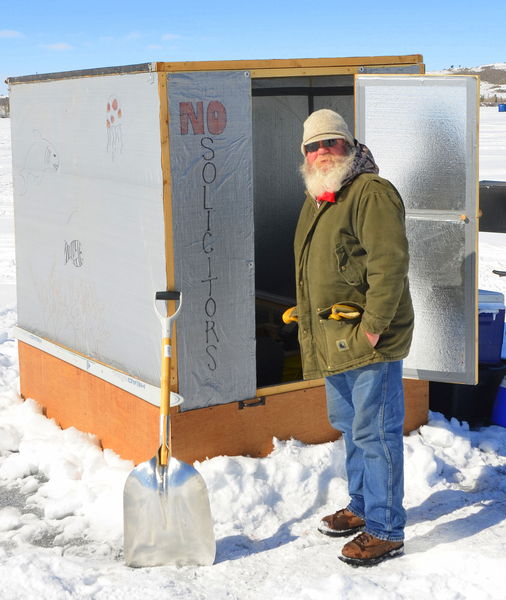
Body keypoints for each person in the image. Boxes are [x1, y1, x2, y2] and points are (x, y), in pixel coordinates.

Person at [289, 109, 414, 567]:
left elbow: (389, 264)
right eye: (313, 146)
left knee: (376, 433)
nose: (322, 152)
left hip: (366, 339)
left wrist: (374, 327)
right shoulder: (321, 195)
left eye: (332, 143)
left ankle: (385, 529)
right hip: (334, 338)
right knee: (351, 428)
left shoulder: (370, 192)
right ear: (304, 153)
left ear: (349, 146)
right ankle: (363, 507)